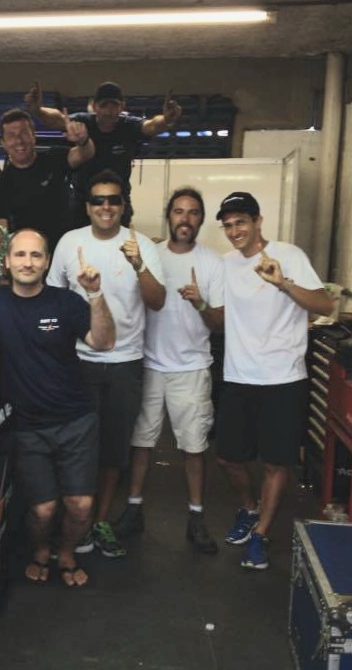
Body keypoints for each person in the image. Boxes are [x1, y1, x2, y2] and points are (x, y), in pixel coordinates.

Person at [0, 228, 116, 587]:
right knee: (44, 509)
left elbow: (104, 342)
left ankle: (65, 552)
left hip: (77, 419)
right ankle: (40, 550)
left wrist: (96, 294)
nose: (28, 262)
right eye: (20, 254)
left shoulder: (66, 301)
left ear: (46, 262)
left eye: (36, 255)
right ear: (7, 261)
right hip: (26, 425)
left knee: (81, 506)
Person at [47, 169, 166, 558]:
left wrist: (139, 265)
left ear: (123, 205)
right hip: (78, 361)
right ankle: (75, 523)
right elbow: (52, 301)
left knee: (114, 450)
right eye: (98, 200)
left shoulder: (141, 245)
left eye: (113, 200)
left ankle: (98, 521)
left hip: (125, 362)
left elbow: (157, 301)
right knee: (77, 447)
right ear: (88, 206)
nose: (106, 206)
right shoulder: (70, 243)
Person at [215, 192, 332, 570]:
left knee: (276, 462)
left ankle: (261, 534)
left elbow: (325, 304)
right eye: (228, 225)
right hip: (238, 375)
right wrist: (199, 302)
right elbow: (217, 314)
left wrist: (283, 284)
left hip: (283, 377)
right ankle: (249, 508)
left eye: (241, 222)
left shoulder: (289, 255)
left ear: (258, 221)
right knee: (227, 456)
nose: (234, 231)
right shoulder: (225, 264)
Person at [121, 187, 224, 554]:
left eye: (193, 212)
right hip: (149, 362)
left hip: (192, 368)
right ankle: (133, 510)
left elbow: (220, 323)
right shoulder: (152, 255)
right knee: (141, 443)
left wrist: (200, 303)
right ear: (169, 216)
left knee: (193, 447)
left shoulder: (213, 262)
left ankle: (196, 518)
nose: (185, 218)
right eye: (179, 211)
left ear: (201, 219)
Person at [25, 80, 182, 226]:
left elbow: (152, 125)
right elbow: (58, 119)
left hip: (118, 202)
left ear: (122, 107)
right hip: (83, 202)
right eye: (104, 105)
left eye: (114, 105)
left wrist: (167, 119)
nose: (109, 111)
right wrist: (38, 110)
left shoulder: (129, 126)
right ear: (94, 107)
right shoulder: (83, 122)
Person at [0, 107, 95, 254]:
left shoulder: (55, 158)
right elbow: (0, 235)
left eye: (24, 133)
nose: (19, 141)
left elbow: (85, 153)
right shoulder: (0, 185)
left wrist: (83, 141)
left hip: (67, 253)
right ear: (3, 143)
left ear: (34, 136)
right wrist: (0, 265)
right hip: (29, 259)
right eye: (11, 135)